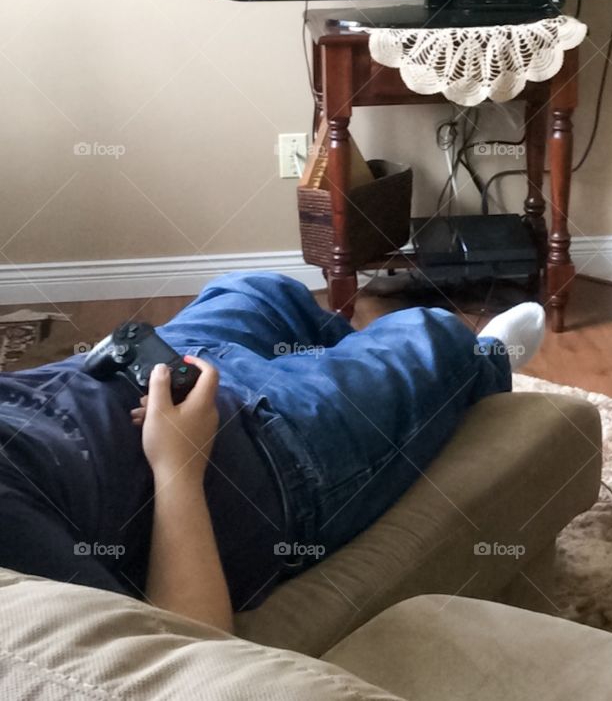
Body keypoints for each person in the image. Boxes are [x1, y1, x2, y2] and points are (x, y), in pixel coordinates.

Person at [0, 271, 546, 633]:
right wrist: (179, 465)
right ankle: (484, 364)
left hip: (164, 369)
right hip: (266, 456)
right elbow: (190, 652)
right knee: (434, 332)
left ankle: (329, 363)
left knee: (263, 289)